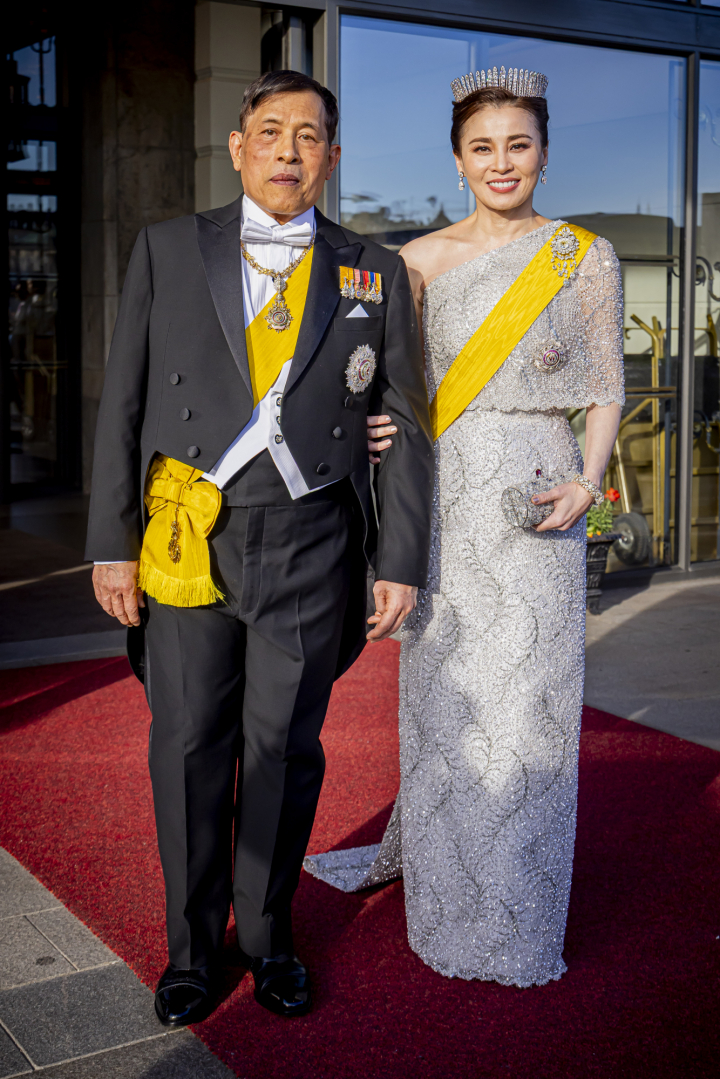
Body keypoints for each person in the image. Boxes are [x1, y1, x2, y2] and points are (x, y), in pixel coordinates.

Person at [86, 70, 433, 1023]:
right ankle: (193, 950)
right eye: (270, 131)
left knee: (284, 747)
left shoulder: (372, 267)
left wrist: (399, 558)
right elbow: (123, 400)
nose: (288, 150)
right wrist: (111, 543)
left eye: (308, 135)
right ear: (238, 147)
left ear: (331, 156)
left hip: (313, 537)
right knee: (188, 742)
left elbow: (404, 420)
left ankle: (268, 938)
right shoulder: (167, 247)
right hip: (189, 533)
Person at [305, 66, 624, 988]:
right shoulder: (415, 261)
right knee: (452, 700)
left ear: (545, 155)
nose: (501, 161)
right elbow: (388, 383)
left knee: (529, 707)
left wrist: (590, 481)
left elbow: (607, 383)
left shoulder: (584, 256)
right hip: (441, 501)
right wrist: (375, 423)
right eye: (483, 147)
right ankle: (446, 893)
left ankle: (521, 908)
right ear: (457, 160)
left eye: (519, 144)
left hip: (539, 500)